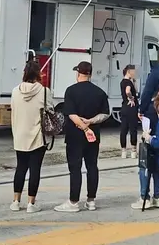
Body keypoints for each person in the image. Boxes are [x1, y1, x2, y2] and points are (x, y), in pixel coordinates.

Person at [56, 61, 111, 213]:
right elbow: (105, 114)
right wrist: (91, 122)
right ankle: (91, 200)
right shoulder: (99, 92)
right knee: (92, 166)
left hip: (75, 135)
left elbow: (72, 115)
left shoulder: (71, 91)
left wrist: (84, 127)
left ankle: (73, 202)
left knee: (75, 168)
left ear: (78, 73)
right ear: (90, 74)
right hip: (93, 136)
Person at [10, 61, 53, 213]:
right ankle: (31, 203)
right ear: (38, 74)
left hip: (19, 134)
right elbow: (50, 111)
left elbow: (13, 110)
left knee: (20, 167)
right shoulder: (45, 91)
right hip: (37, 136)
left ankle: (16, 201)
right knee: (35, 169)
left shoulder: (15, 91)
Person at [119, 65, 140, 159]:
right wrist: (131, 98)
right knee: (133, 129)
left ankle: (123, 151)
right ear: (129, 71)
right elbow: (128, 91)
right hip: (131, 108)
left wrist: (134, 81)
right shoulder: (128, 82)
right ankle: (133, 150)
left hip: (124, 107)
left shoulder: (123, 81)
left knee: (123, 129)